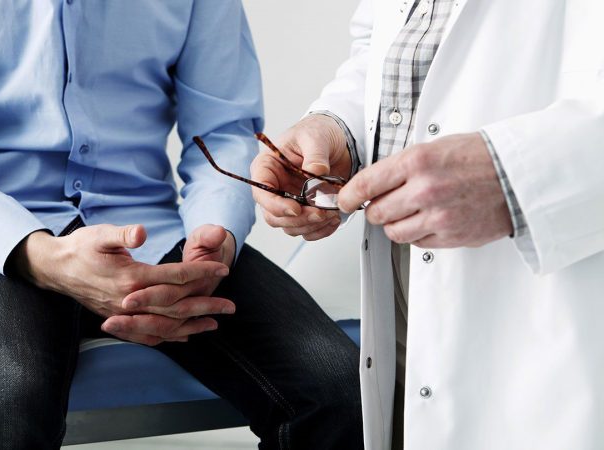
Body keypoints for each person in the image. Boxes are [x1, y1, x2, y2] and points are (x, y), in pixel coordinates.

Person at [0, 1, 362, 449]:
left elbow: (222, 127)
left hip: (152, 233)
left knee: (339, 393)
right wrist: (40, 255)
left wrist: (215, 235)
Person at [251, 1, 604, 449]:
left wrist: (515, 175)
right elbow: (392, 43)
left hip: (558, 262)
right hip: (403, 262)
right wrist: (339, 130)